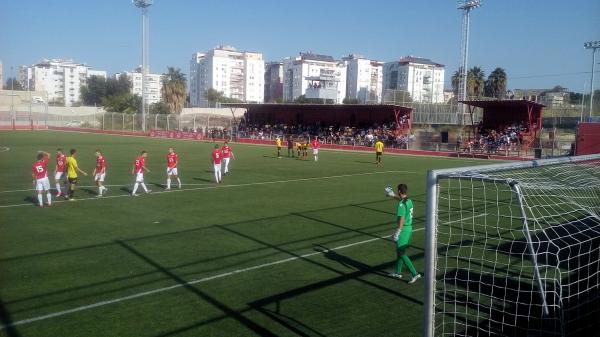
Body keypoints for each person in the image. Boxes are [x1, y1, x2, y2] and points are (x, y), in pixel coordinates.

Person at [387, 183, 421, 284]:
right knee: (400, 252)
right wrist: (392, 195)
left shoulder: (401, 204)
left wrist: (397, 232)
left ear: (399, 191)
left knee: (401, 253)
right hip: (409, 229)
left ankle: (415, 273)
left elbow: (401, 219)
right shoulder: (409, 200)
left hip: (404, 230)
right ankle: (398, 272)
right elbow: (401, 200)